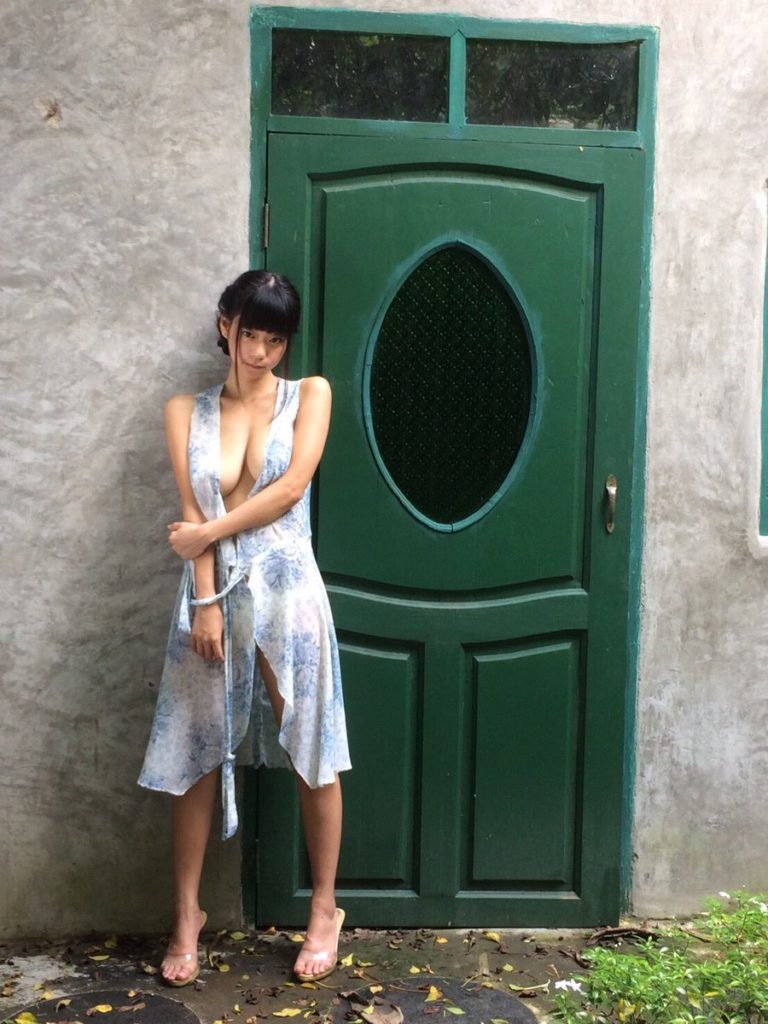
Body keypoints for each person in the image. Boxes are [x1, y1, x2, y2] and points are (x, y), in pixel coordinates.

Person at [138, 270, 351, 987]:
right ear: (224, 324)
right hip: (211, 595)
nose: (259, 351)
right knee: (195, 751)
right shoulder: (185, 411)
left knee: (311, 743)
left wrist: (205, 536)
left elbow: (290, 490)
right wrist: (204, 600)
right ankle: (187, 914)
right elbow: (190, 510)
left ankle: (323, 908)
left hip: (290, 590)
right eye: (248, 332)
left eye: (275, 339)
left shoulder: (309, 395)